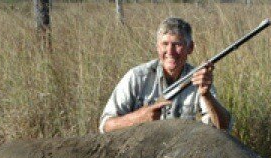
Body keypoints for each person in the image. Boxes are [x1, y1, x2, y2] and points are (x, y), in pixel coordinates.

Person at [99, 17, 232, 134]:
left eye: (177, 44)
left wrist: (206, 95)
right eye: (165, 44)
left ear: (190, 47)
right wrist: (138, 118)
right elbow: (105, 125)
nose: (170, 51)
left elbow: (224, 128)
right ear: (157, 47)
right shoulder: (137, 76)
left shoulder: (200, 79)